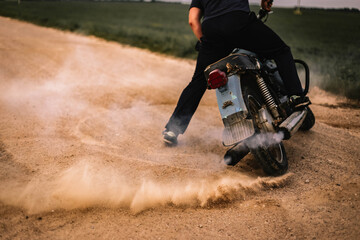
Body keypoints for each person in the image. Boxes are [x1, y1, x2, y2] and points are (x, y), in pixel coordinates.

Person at [163, 0, 310, 146]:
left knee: (199, 81)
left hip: (211, 31)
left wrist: (205, 42)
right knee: (281, 51)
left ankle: (173, 129)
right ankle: (296, 96)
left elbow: (193, 21)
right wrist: (265, 3)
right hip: (239, 22)